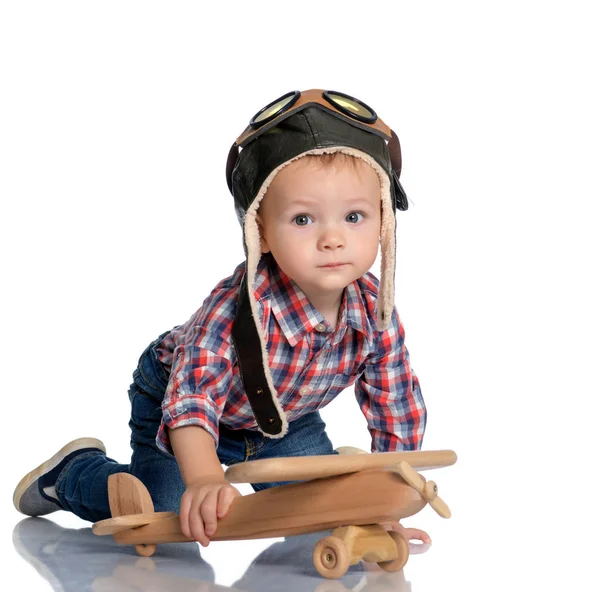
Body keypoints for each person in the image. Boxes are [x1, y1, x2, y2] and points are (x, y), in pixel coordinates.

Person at [14, 89, 429, 549]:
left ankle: (334, 475)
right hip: (179, 409)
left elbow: (395, 399)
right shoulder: (235, 309)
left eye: (354, 216)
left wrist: (386, 496)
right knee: (173, 516)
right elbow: (192, 396)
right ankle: (76, 473)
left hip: (283, 423)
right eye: (303, 220)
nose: (332, 238)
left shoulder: (376, 308)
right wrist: (206, 477)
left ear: (384, 224)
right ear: (261, 233)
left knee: (319, 511)